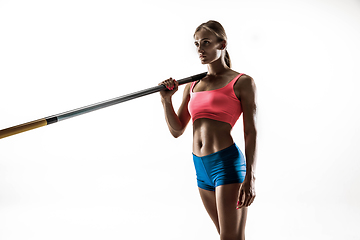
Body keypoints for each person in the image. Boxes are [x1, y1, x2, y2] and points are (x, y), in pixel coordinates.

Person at [158, 20, 257, 240]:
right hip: (200, 167)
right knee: (227, 235)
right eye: (197, 44)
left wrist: (250, 177)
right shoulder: (193, 85)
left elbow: (251, 132)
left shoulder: (241, 82)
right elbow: (177, 130)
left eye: (206, 43)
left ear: (222, 44)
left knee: (230, 237)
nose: (200, 49)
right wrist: (166, 101)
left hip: (226, 164)